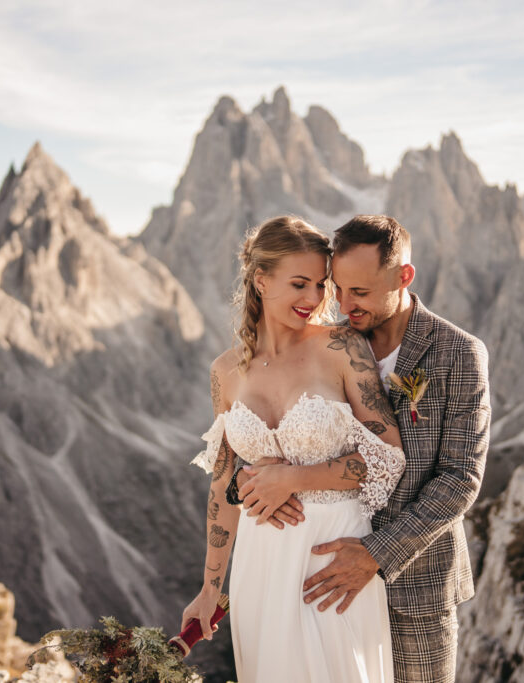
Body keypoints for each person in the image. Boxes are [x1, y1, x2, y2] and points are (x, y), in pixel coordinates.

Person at [233, 215, 491, 682]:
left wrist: (376, 553)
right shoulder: (330, 343)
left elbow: (460, 480)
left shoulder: (458, 353)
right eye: (340, 288)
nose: (344, 304)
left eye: (362, 293)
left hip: (415, 588)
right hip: (323, 581)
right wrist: (246, 479)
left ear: (403, 277)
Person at [181, 216, 407, 683]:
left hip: (333, 560)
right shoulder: (225, 372)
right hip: (260, 565)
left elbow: (388, 456)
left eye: (322, 285)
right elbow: (223, 483)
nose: (315, 299)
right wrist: (210, 589)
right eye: (300, 283)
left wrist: (293, 478)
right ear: (261, 280)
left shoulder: (342, 347)